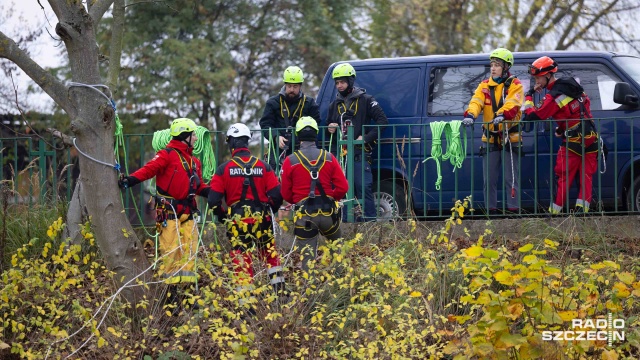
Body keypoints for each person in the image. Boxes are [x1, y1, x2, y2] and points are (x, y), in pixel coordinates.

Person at [118, 118, 210, 309]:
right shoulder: (166, 155)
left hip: (188, 212)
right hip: (169, 212)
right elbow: (148, 170)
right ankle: (170, 296)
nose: (195, 138)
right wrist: (130, 181)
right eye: (192, 135)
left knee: (190, 251)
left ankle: (187, 295)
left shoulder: (195, 162)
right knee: (170, 251)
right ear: (184, 136)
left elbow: (198, 185)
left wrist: (212, 191)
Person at [207, 123, 287, 302]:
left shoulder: (223, 169)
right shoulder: (264, 167)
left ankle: (246, 305)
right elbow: (277, 194)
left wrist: (223, 216)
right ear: (247, 142)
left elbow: (213, 200)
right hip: (263, 219)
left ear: (231, 144)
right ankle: (281, 296)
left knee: (241, 260)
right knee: (270, 256)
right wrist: (270, 211)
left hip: (237, 222)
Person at [522, 56, 599, 214]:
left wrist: (529, 96)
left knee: (563, 176)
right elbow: (581, 112)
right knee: (586, 176)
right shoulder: (573, 86)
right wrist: (562, 129)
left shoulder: (553, 96)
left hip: (573, 141)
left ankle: (554, 213)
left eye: (538, 78)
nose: (537, 81)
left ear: (548, 75)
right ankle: (582, 212)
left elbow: (534, 115)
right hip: (591, 137)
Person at [280, 117, 349, 273]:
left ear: (298, 136)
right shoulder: (329, 157)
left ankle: (308, 292)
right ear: (316, 134)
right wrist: (332, 198)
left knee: (307, 259)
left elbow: (285, 193)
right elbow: (343, 187)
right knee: (337, 250)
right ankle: (340, 286)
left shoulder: (290, 161)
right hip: (329, 215)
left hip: (305, 218)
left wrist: (297, 200)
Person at [462, 48, 524, 216]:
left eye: (497, 65)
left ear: (505, 67)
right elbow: (476, 101)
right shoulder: (484, 85)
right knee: (489, 180)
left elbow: (513, 102)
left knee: (511, 179)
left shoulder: (515, 84)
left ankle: (513, 212)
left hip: (510, 137)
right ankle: (491, 213)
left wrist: (503, 114)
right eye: (492, 65)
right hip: (490, 138)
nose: (493, 68)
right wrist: (471, 115)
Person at [326, 63, 388, 222]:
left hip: (360, 154)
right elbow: (329, 127)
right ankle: (345, 224)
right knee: (343, 190)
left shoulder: (366, 100)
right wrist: (331, 128)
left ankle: (370, 225)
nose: (339, 85)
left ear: (350, 81)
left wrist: (366, 138)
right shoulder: (334, 104)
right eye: (337, 82)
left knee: (364, 188)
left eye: (343, 82)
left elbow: (382, 122)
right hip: (341, 155)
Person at [259, 66, 321, 169]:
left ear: (300, 86)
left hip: (303, 151)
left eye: (295, 86)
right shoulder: (272, 103)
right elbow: (265, 125)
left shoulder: (309, 103)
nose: (292, 89)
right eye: (289, 86)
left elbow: (316, 124)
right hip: (278, 151)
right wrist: (276, 137)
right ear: (285, 85)